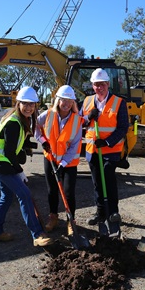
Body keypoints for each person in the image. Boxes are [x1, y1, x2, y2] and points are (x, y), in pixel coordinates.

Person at [0, 86, 54, 247]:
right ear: (19, 103)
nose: (29, 107)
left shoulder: (17, 117)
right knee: (25, 195)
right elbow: (9, 152)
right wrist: (20, 171)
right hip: (0, 163)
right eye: (25, 104)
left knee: (6, 196)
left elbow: (13, 143)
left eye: (32, 104)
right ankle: (37, 234)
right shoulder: (14, 122)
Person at [80, 68, 129, 233]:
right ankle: (100, 213)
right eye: (96, 85)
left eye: (102, 84)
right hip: (92, 150)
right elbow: (79, 123)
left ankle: (113, 212)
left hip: (110, 150)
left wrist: (107, 142)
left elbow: (123, 128)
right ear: (92, 86)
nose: (99, 88)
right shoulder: (87, 102)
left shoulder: (119, 102)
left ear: (108, 84)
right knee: (97, 183)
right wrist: (88, 118)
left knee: (108, 177)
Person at [35, 85, 83, 236]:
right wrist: (42, 140)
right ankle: (53, 217)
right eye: (64, 100)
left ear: (73, 102)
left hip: (68, 163)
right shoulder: (48, 114)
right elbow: (34, 126)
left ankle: (71, 221)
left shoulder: (77, 120)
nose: (66, 104)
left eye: (70, 101)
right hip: (50, 159)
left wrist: (62, 164)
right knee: (52, 191)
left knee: (68, 192)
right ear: (58, 100)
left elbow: (74, 147)